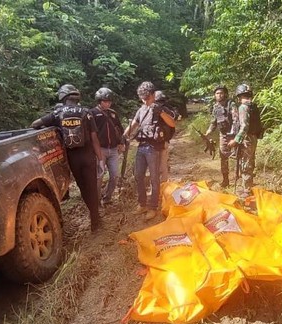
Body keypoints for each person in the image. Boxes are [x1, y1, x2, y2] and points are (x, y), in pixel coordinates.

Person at [31, 84, 105, 231]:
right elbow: (94, 137)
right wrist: (101, 158)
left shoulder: (58, 113)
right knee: (91, 187)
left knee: (83, 188)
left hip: (73, 157)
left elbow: (35, 124)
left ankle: (93, 213)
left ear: (62, 97)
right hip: (88, 155)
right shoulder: (86, 112)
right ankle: (95, 221)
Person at [123, 81, 176, 220]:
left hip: (154, 148)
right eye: (142, 98)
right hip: (141, 147)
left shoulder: (160, 108)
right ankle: (142, 204)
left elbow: (172, 123)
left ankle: (153, 207)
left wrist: (161, 112)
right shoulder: (142, 109)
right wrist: (123, 137)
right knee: (138, 175)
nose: (145, 101)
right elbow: (134, 124)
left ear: (153, 95)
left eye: (147, 98)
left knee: (154, 178)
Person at [91, 87, 126, 205]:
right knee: (99, 177)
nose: (108, 103)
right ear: (99, 101)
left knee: (115, 175)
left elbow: (120, 129)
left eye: (109, 101)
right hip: (100, 150)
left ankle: (107, 198)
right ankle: (95, 202)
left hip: (113, 149)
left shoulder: (113, 114)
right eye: (105, 101)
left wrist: (121, 143)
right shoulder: (92, 114)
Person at [204, 85, 237, 187]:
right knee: (223, 156)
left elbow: (236, 120)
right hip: (223, 135)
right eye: (217, 93)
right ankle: (225, 180)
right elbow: (213, 122)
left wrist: (235, 136)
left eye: (221, 93)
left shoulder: (231, 104)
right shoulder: (215, 107)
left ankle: (239, 180)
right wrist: (208, 132)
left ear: (225, 94)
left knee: (237, 157)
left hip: (234, 134)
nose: (219, 95)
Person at [228, 84, 258, 197]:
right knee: (249, 162)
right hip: (253, 137)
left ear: (238, 95)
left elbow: (244, 126)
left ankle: (247, 190)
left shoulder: (243, 107)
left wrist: (236, 140)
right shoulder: (253, 105)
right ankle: (247, 187)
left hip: (246, 139)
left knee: (246, 164)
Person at [154, 90, 178, 183]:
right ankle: (159, 187)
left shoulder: (165, 110)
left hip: (162, 141)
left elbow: (173, 121)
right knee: (160, 165)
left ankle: (162, 187)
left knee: (161, 166)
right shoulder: (167, 109)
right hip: (158, 141)